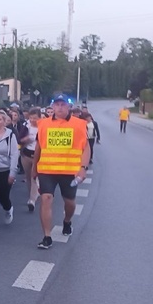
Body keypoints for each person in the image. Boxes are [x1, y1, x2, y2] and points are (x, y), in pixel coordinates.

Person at [33, 94, 90, 249]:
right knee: (46, 198)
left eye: (63, 105)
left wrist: (83, 169)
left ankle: (67, 221)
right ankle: (47, 236)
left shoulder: (78, 124)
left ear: (68, 107)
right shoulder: (43, 124)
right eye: (56, 104)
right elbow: (39, 147)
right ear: (52, 107)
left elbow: (86, 149)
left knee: (69, 202)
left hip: (69, 171)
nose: (59, 107)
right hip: (47, 170)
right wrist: (33, 169)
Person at [17, 107, 41, 211]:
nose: (32, 120)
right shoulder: (26, 126)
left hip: (38, 155)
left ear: (39, 118)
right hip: (26, 154)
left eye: (35, 118)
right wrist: (25, 139)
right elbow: (19, 140)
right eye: (31, 118)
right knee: (28, 177)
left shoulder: (43, 127)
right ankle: (32, 194)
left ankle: (32, 200)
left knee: (34, 176)